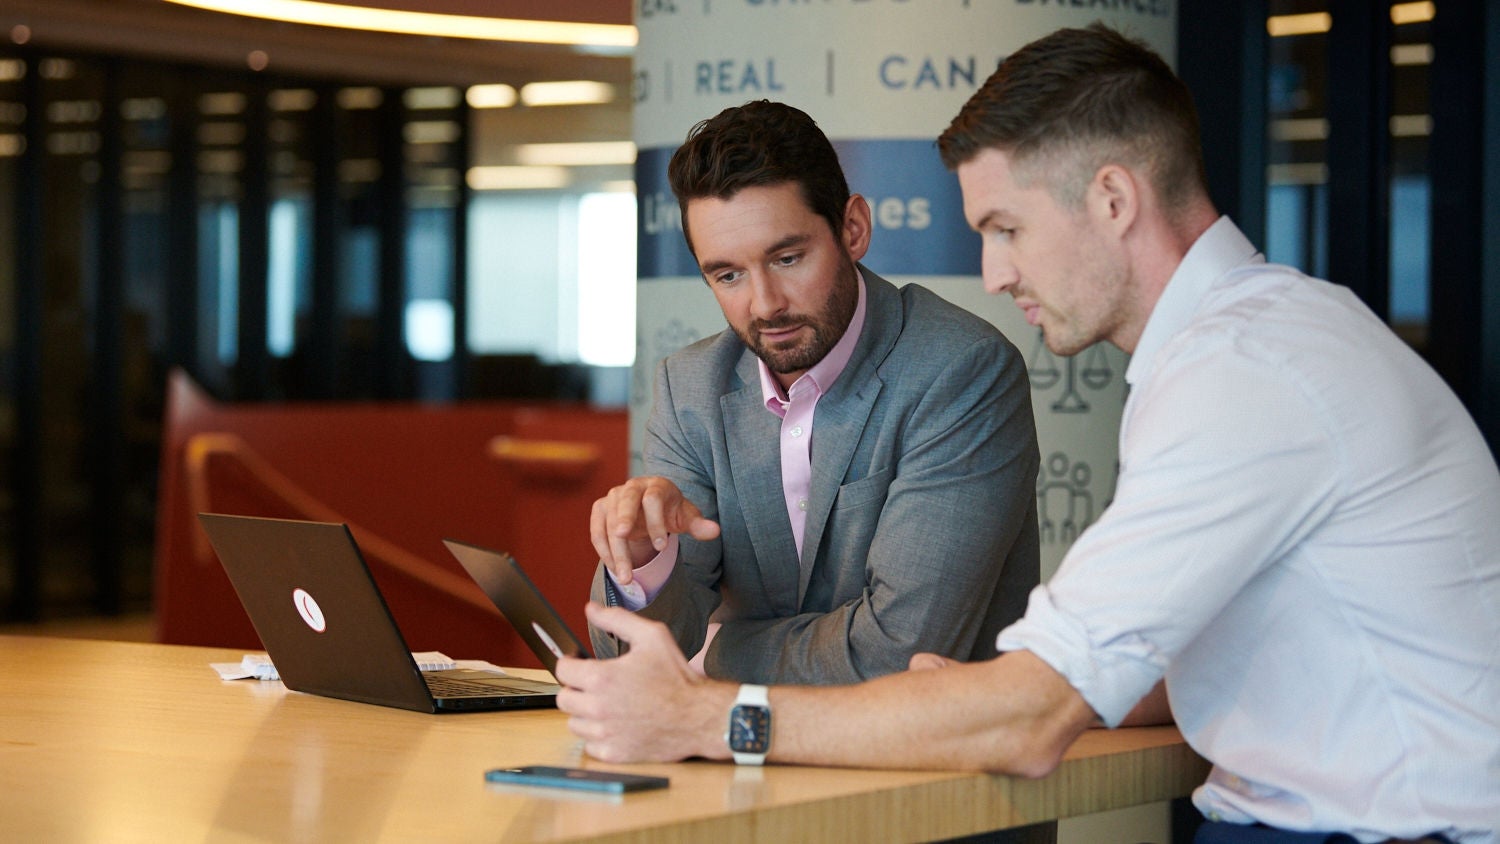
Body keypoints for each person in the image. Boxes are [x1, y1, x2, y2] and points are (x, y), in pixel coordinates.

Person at [556, 24, 1500, 844]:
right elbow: (1151, 669)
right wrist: (977, 692)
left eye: (1006, 227)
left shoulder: (1243, 377)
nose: (993, 271)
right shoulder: (1244, 348)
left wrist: (713, 709)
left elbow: (1030, 722)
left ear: (1113, 200)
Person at [587, 99, 1040, 685]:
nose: (765, 303)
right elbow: (629, 655)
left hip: (932, 759)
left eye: (788, 257)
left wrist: (709, 654)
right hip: (742, 756)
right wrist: (646, 564)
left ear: (853, 229)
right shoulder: (690, 385)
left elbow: (897, 657)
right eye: (727, 275)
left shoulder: (959, 369)